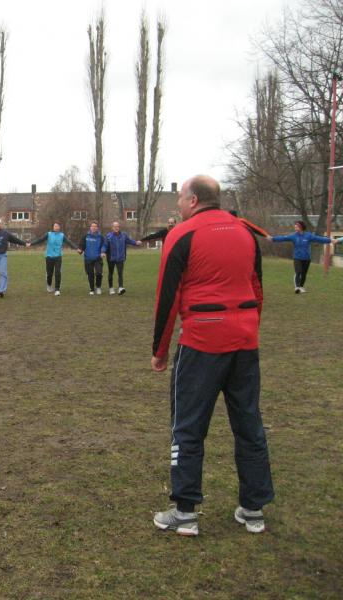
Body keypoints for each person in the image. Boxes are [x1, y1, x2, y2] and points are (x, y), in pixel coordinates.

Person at [151, 174, 273, 537]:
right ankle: (253, 509)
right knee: (249, 424)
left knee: (187, 426)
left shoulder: (182, 234)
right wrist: (248, 328)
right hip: (244, 342)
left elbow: (167, 297)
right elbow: (257, 288)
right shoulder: (246, 232)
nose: (178, 204)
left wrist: (159, 351)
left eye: (180, 198)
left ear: (192, 200)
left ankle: (184, 512)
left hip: (202, 344)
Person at [266, 221, 336, 293]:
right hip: (297, 258)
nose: (295, 227)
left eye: (296, 226)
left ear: (301, 227)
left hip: (306, 258)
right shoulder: (293, 236)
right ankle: (297, 287)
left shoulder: (308, 236)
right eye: (295, 226)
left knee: (304, 274)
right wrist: (273, 239)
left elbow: (319, 239)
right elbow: (283, 238)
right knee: (298, 272)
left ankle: (301, 287)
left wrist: (330, 240)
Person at [28, 221, 78, 296]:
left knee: (58, 272)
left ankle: (57, 289)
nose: (56, 227)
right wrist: (31, 244)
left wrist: (76, 248)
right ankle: (49, 285)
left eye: (57, 226)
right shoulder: (49, 234)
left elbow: (69, 242)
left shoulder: (62, 235)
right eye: (55, 226)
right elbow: (40, 240)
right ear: (53, 227)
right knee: (49, 273)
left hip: (58, 257)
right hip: (49, 256)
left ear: (59, 227)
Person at [104, 221, 142, 295]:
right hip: (111, 258)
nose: (116, 228)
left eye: (117, 226)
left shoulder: (123, 235)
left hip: (120, 258)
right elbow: (105, 245)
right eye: (115, 226)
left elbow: (130, 241)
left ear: (119, 227)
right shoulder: (108, 236)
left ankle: (120, 288)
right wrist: (103, 251)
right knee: (110, 273)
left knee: (120, 273)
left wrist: (136, 243)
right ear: (112, 228)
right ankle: (111, 288)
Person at [77, 221, 107, 295]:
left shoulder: (100, 237)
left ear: (97, 228)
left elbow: (104, 245)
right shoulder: (86, 236)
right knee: (90, 274)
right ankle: (92, 289)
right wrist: (80, 250)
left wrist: (103, 252)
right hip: (88, 258)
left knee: (99, 273)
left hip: (98, 258)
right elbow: (81, 245)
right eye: (92, 226)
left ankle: (98, 287)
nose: (94, 227)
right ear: (90, 227)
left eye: (95, 226)